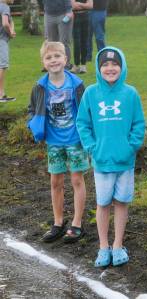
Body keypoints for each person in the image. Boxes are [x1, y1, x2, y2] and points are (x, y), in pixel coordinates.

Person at [76, 47, 145, 267]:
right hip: (102, 160)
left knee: (122, 202)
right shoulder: (91, 93)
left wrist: (131, 146)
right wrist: (92, 147)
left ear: (122, 66)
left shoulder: (130, 93)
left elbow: (138, 124)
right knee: (103, 203)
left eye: (114, 64)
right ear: (98, 68)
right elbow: (83, 123)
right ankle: (103, 246)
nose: (110, 68)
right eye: (104, 64)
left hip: (125, 161)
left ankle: (117, 244)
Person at [27, 41, 90, 243]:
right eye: (48, 57)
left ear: (65, 59)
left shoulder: (77, 84)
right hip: (53, 141)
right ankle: (58, 222)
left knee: (77, 180)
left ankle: (77, 223)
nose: (53, 60)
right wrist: (34, 125)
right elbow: (32, 109)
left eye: (57, 56)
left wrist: (87, 135)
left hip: (75, 140)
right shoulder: (40, 87)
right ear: (43, 62)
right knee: (56, 181)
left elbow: (86, 110)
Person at [43, 0, 73, 69]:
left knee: (64, 42)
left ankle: (66, 64)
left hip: (63, 14)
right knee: (51, 42)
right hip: (49, 15)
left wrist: (69, 11)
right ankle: (52, 63)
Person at [71, 0, 93, 74]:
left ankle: (83, 65)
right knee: (76, 42)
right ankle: (76, 65)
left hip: (86, 16)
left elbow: (90, 5)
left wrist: (79, 4)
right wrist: (84, 5)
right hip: (75, 17)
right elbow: (73, 6)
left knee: (85, 41)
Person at [0, 0, 16, 102]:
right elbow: (5, 23)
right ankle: (1, 94)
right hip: (1, 40)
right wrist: (10, 33)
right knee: (2, 65)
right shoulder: (4, 6)